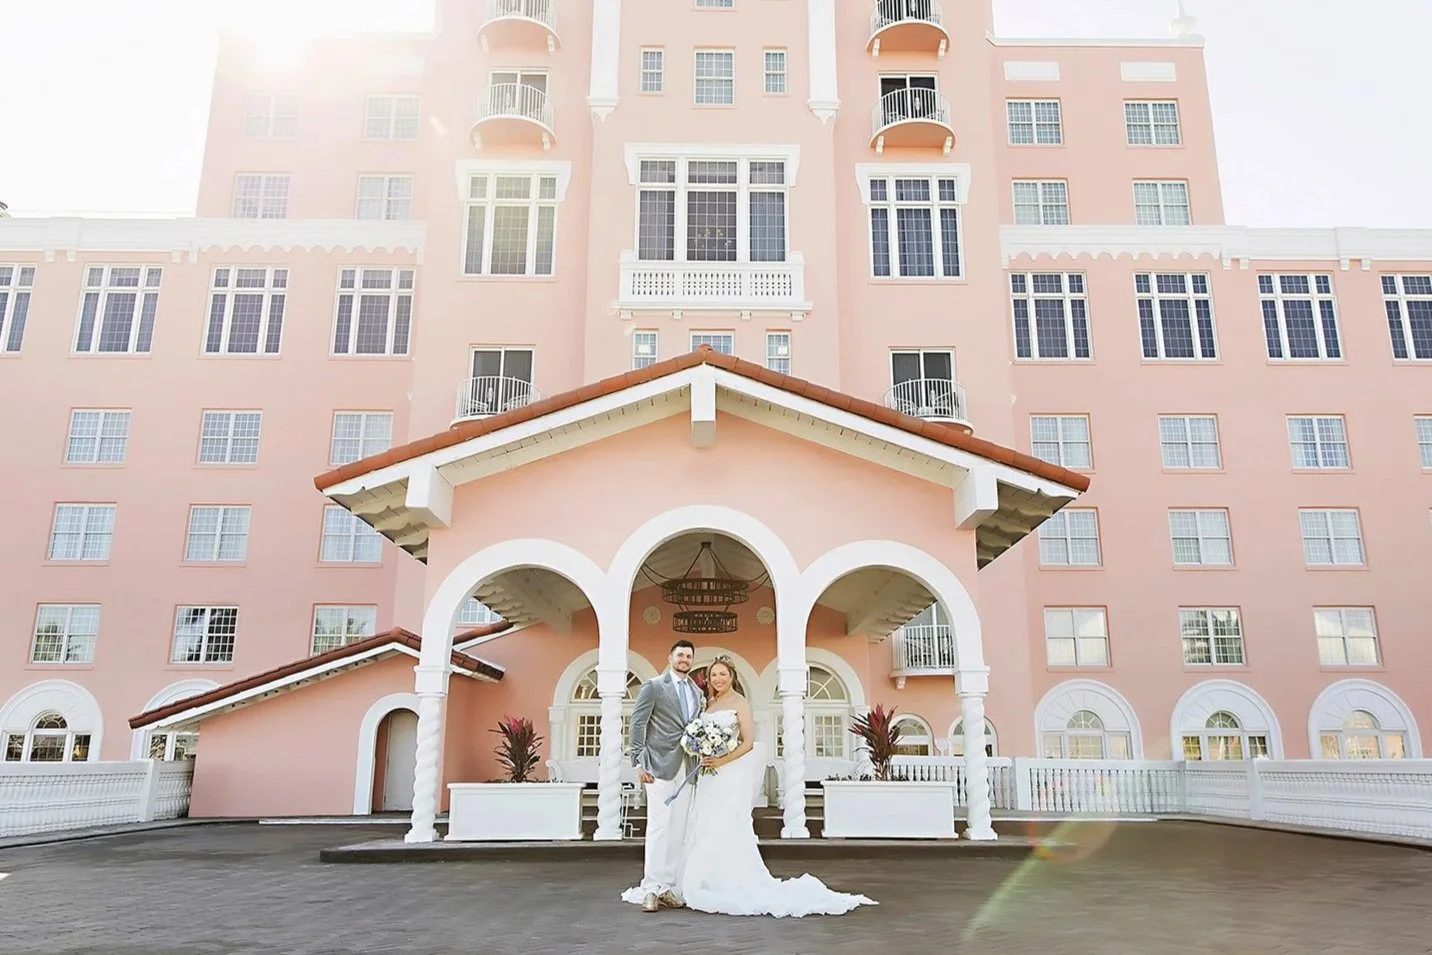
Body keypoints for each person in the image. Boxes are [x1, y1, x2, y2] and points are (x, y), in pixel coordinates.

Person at [676, 657, 877, 918]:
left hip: (728, 772)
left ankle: (726, 878)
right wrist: (702, 752)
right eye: (714, 675)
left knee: (725, 821)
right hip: (709, 773)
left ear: (731, 677)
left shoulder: (740, 703)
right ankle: (702, 878)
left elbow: (747, 743)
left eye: (723, 674)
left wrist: (720, 760)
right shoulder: (710, 703)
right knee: (704, 819)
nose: (718, 679)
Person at [621, 639, 703, 912]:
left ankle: (668, 886)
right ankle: (651, 888)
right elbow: (638, 724)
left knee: (678, 830)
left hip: (687, 768)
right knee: (658, 827)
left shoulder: (696, 691)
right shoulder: (654, 686)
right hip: (657, 767)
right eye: (680, 654)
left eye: (689, 656)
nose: (684, 659)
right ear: (670, 658)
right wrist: (637, 762)